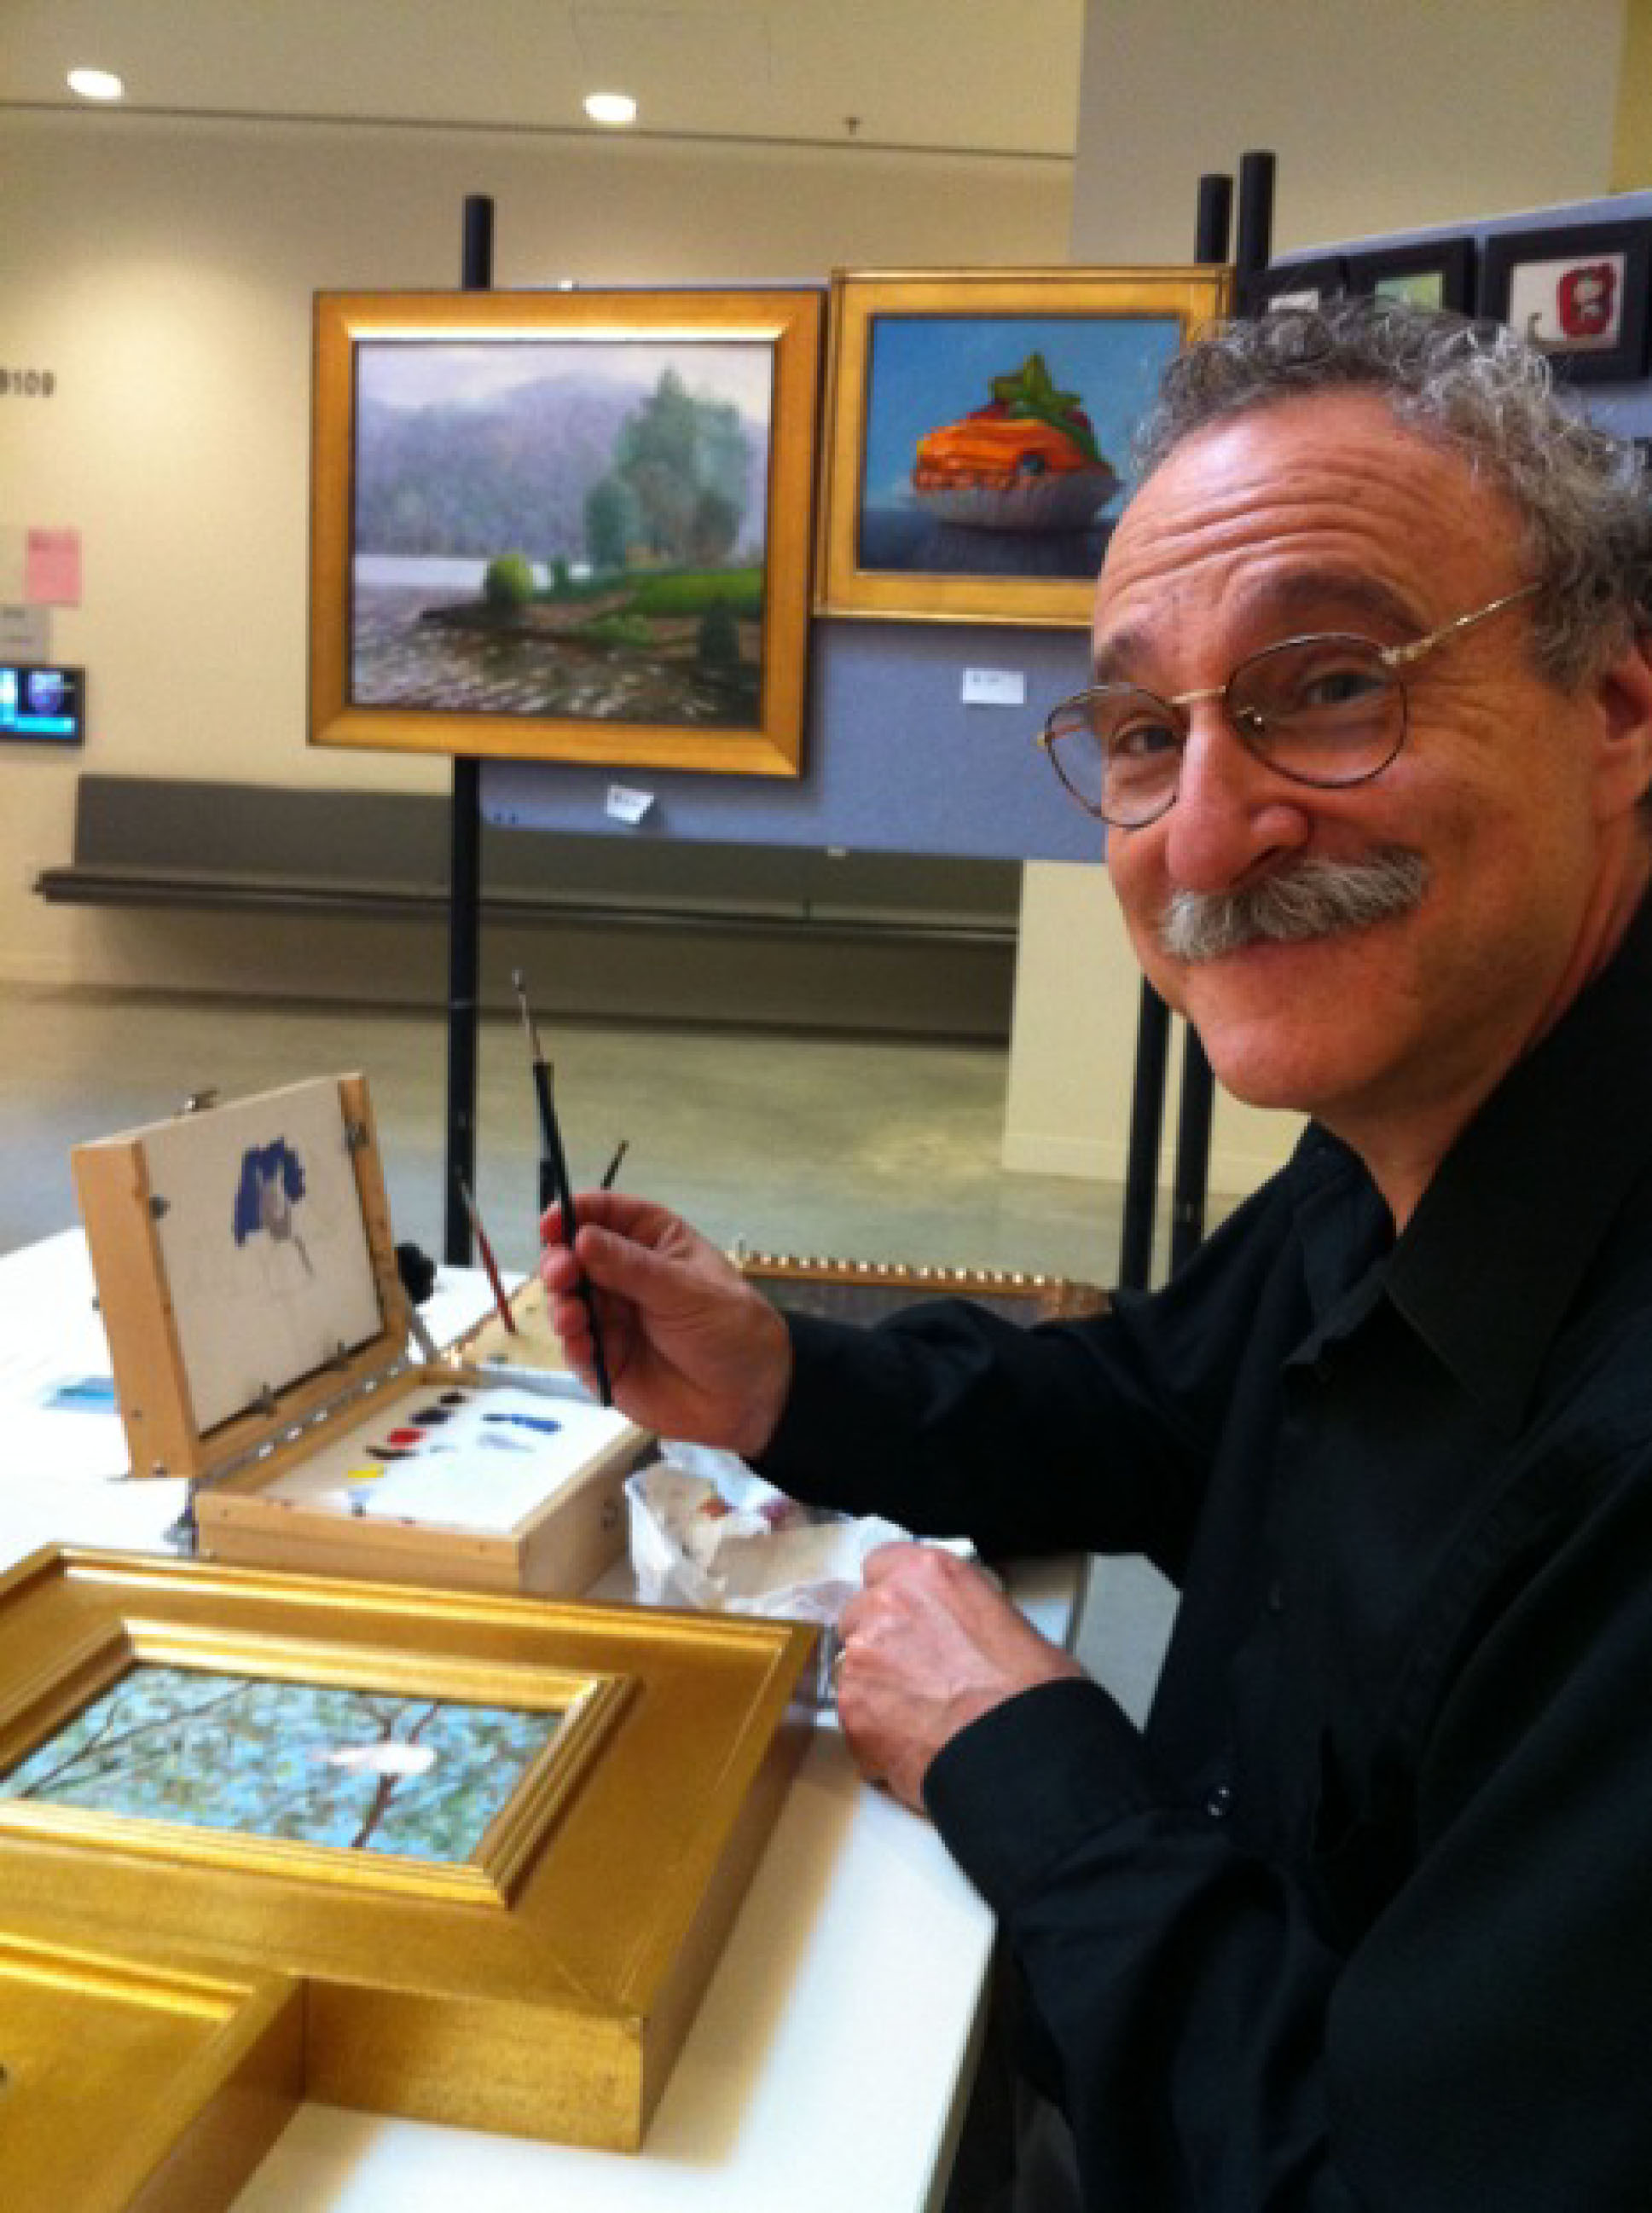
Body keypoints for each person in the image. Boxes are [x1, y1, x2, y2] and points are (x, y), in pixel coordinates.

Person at [542, 300, 1652, 2210]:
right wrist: (784, 1373)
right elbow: (1156, 1405)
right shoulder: (1420, 1120)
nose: (1203, 836)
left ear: (1618, 706)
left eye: (1330, 683)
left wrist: (1022, 1752)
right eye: (1145, 732)